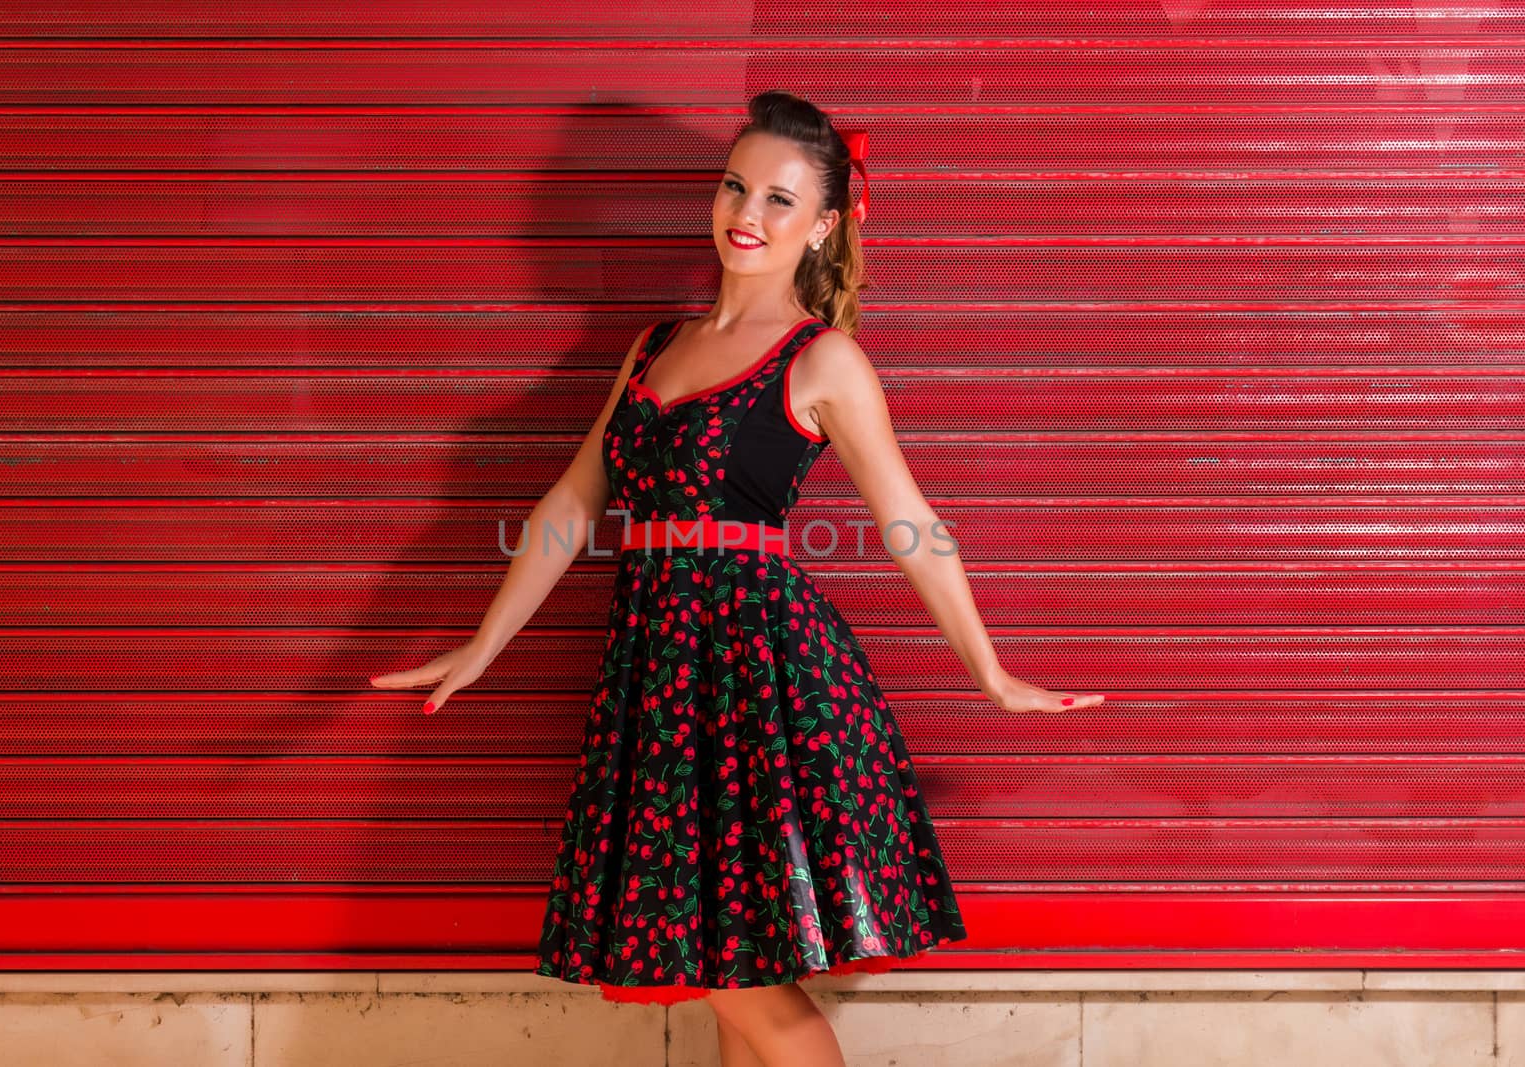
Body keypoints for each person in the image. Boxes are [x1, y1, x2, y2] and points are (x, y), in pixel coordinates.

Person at [371, 89, 1106, 1067]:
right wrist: (482, 641)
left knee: (740, 977)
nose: (745, 216)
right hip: (655, 681)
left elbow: (910, 523)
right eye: (734, 186)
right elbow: (572, 502)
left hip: (758, 682)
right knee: (722, 969)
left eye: (779, 200)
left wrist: (990, 670)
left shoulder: (824, 357)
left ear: (823, 227)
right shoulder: (654, 346)